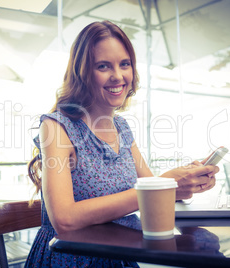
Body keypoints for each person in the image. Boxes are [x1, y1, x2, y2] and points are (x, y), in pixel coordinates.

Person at [25, 20, 219, 267]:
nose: (118, 76)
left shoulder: (122, 128)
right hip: (72, 259)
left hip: (122, 255)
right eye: (103, 66)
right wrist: (164, 186)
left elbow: (153, 189)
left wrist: (186, 181)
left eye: (124, 64)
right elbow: (64, 219)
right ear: (82, 72)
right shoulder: (57, 127)